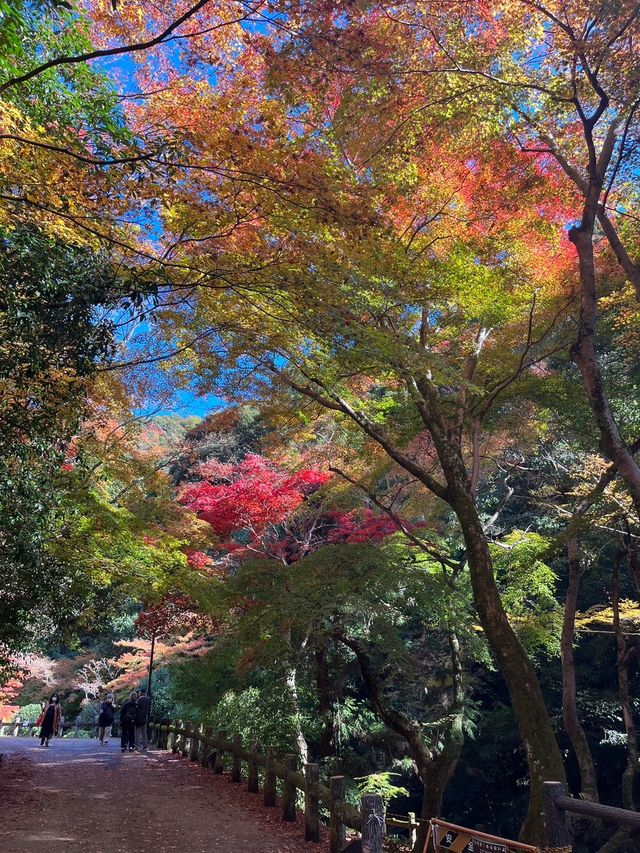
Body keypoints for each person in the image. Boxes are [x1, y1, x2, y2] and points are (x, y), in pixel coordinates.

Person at [134, 687, 150, 751]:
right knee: (144, 732)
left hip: (138, 717)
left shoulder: (139, 700)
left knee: (137, 732)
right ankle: (145, 746)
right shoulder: (147, 700)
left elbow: (137, 709)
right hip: (144, 717)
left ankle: (137, 746)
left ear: (140, 693)